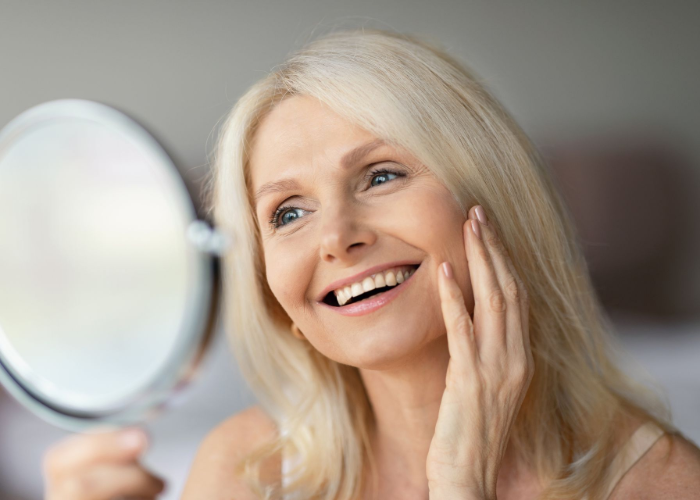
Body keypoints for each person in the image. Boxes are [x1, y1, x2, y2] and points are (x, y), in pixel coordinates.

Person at [43, 29, 700, 500]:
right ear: (281, 304)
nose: (335, 237)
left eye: (381, 174)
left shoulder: (658, 481)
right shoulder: (247, 472)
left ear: (494, 202)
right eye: (288, 214)